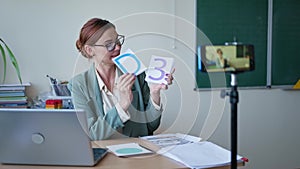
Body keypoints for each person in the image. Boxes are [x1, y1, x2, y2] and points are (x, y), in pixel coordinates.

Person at [68, 18, 174, 140]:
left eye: (118, 41)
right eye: (109, 44)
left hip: (138, 151)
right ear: (90, 50)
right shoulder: (79, 85)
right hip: (105, 153)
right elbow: (93, 134)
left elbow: (150, 127)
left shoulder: (137, 74)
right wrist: (122, 105)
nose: (118, 48)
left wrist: (154, 94)